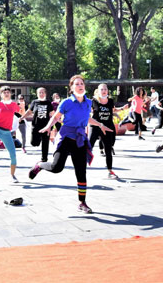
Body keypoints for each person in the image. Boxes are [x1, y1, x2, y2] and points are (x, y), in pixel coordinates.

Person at [29, 75, 111, 213]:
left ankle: (82, 203)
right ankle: (40, 165)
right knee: (56, 168)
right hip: (66, 137)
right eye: (77, 84)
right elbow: (56, 117)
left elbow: (87, 118)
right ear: (72, 88)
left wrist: (100, 124)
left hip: (79, 140)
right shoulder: (66, 102)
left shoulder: (88, 102)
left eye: (82, 83)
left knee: (81, 172)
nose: (80, 86)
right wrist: (49, 126)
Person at [89, 83, 125, 179]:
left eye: (105, 89)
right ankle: (81, 167)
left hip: (108, 126)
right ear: (98, 91)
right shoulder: (94, 101)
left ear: (107, 91)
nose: (104, 90)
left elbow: (112, 111)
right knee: (89, 146)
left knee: (108, 149)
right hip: (96, 126)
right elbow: (90, 111)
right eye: (102, 89)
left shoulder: (110, 101)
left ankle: (110, 171)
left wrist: (120, 110)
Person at [23, 88, 53, 162]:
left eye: (43, 92)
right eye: (40, 92)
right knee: (34, 143)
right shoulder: (34, 102)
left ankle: (44, 159)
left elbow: (53, 114)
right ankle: (38, 139)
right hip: (36, 126)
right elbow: (29, 112)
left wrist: (55, 123)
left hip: (46, 126)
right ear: (37, 94)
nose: (41, 94)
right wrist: (22, 117)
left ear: (45, 94)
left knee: (45, 142)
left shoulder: (48, 103)